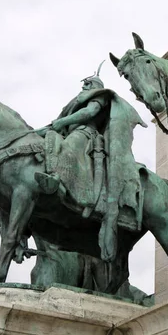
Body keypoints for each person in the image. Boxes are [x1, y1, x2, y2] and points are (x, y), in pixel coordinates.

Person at [35, 62, 147, 262]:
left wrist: (61, 123)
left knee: (68, 151)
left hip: (87, 134)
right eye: (84, 83)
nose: (85, 86)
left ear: (95, 85)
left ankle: (57, 181)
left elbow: (88, 114)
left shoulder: (100, 96)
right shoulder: (74, 101)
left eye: (88, 83)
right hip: (69, 131)